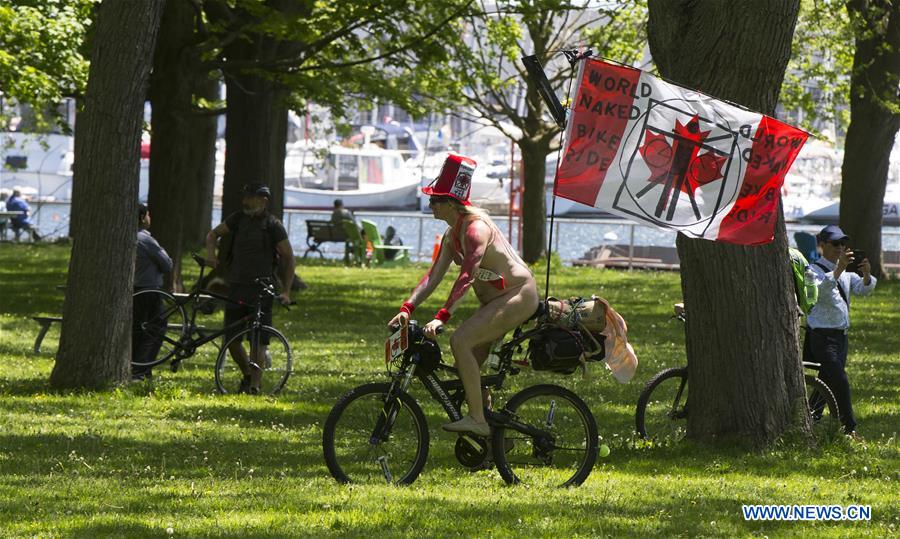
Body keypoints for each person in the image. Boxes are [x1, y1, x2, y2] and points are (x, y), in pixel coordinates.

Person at [388, 155, 539, 437]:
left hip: (518, 294)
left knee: (461, 341)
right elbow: (433, 277)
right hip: (495, 300)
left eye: (435, 200)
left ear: (450, 203)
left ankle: (478, 420)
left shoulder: (474, 230)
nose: (430, 205)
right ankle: (493, 439)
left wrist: (441, 317)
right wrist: (408, 307)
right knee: (466, 364)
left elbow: (466, 276)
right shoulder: (451, 234)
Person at [205, 183, 295, 394]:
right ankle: (247, 373)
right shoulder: (237, 219)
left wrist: (286, 291)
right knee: (232, 340)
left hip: (262, 289)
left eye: (251, 198)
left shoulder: (273, 225)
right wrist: (211, 255)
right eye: (245, 197)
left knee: (258, 341)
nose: (245, 201)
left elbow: (289, 257)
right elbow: (212, 235)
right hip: (236, 287)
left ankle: (254, 385)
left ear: (263, 200)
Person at [805, 224, 876, 436]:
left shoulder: (843, 271)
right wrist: (839, 270)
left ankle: (811, 418)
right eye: (835, 244)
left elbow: (863, 289)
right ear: (822, 245)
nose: (840, 248)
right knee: (840, 382)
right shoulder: (812, 270)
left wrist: (866, 275)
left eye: (843, 244)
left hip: (840, 337)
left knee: (826, 381)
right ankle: (849, 429)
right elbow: (819, 293)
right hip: (822, 337)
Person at [132, 204, 174, 381]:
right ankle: (141, 369)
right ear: (142, 218)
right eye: (148, 215)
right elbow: (167, 264)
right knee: (155, 329)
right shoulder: (145, 239)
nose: (150, 218)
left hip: (134, 290)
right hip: (149, 290)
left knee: (137, 329)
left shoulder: (125, 237)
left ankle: (137, 367)